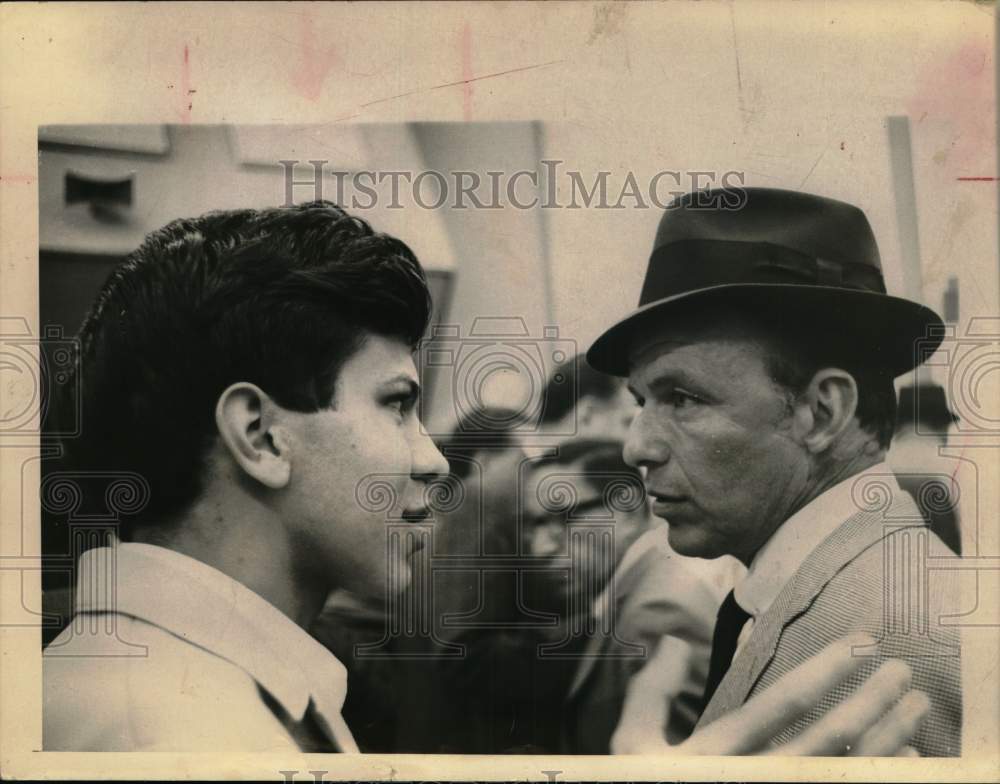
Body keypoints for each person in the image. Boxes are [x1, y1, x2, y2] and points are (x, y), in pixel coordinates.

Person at [43, 202, 450, 751]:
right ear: (260, 436)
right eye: (397, 403)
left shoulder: (159, 689)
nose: (434, 460)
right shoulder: (183, 738)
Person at [587, 187, 962, 756]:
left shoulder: (894, 640)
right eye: (642, 401)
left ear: (822, 412)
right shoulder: (839, 591)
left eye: (683, 398)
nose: (636, 447)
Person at [518, 439, 725, 752]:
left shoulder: (660, 611)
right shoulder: (636, 595)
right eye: (533, 526)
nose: (541, 549)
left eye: (563, 517)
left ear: (627, 508)